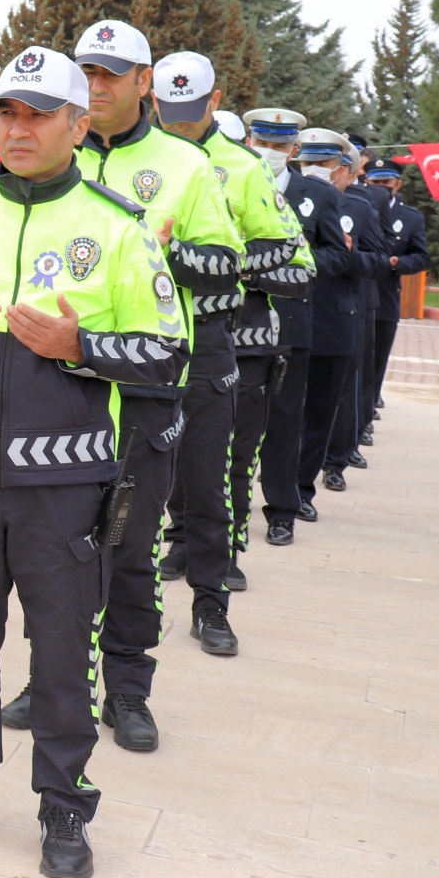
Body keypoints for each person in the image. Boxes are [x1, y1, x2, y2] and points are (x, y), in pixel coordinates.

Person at [0, 47, 186, 878]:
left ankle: (63, 797)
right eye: (5, 115)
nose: (16, 130)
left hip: (65, 488)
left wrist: (81, 347)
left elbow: (169, 356)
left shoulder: (116, 226)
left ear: (76, 125)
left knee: (61, 650)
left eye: (36, 115)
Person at [4, 20, 238, 744]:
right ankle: (51, 678)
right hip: (57, 391)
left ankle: (128, 690)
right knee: (56, 551)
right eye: (89, 73)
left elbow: (230, 271)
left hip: (141, 393)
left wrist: (170, 254)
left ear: (145, 82)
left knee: (127, 546)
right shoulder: (36, 167)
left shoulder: (187, 166)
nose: (99, 86)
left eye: (113, 74)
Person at [148, 53, 298, 603]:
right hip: (141, 339)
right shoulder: (142, 157)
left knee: (212, 475)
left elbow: (288, 255)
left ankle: (212, 597)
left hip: (215, 334)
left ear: (215, 100)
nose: (178, 121)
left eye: (190, 110)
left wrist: (204, 258)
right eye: (167, 109)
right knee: (145, 474)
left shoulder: (243, 166)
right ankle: (167, 553)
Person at [230, 107, 319, 548]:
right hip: (232, 329)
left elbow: (321, 264)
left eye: (280, 146)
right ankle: (213, 526)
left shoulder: (315, 194)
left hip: (289, 324)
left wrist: (242, 271)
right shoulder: (229, 182)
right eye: (263, 143)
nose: (271, 152)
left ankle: (282, 510)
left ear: (294, 150)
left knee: (283, 422)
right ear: (249, 142)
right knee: (227, 437)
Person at [296, 131, 390, 501]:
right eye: (309, 163)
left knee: (322, 410)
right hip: (287, 317)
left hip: (332, 319)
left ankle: (309, 483)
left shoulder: (361, 209)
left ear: (344, 171)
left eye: (325, 165)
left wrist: (346, 254)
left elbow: (380, 263)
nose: (317, 171)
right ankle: (281, 482)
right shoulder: (284, 198)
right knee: (284, 411)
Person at [361, 159, 429, 439]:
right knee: (355, 362)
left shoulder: (411, 217)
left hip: (386, 297)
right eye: (374, 183)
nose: (379, 188)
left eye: (385, 183)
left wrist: (397, 262)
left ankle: (365, 419)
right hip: (358, 294)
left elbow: (421, 257)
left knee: (376, 363)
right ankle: (355, 418)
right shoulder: (358, 207)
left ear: (397, 185)